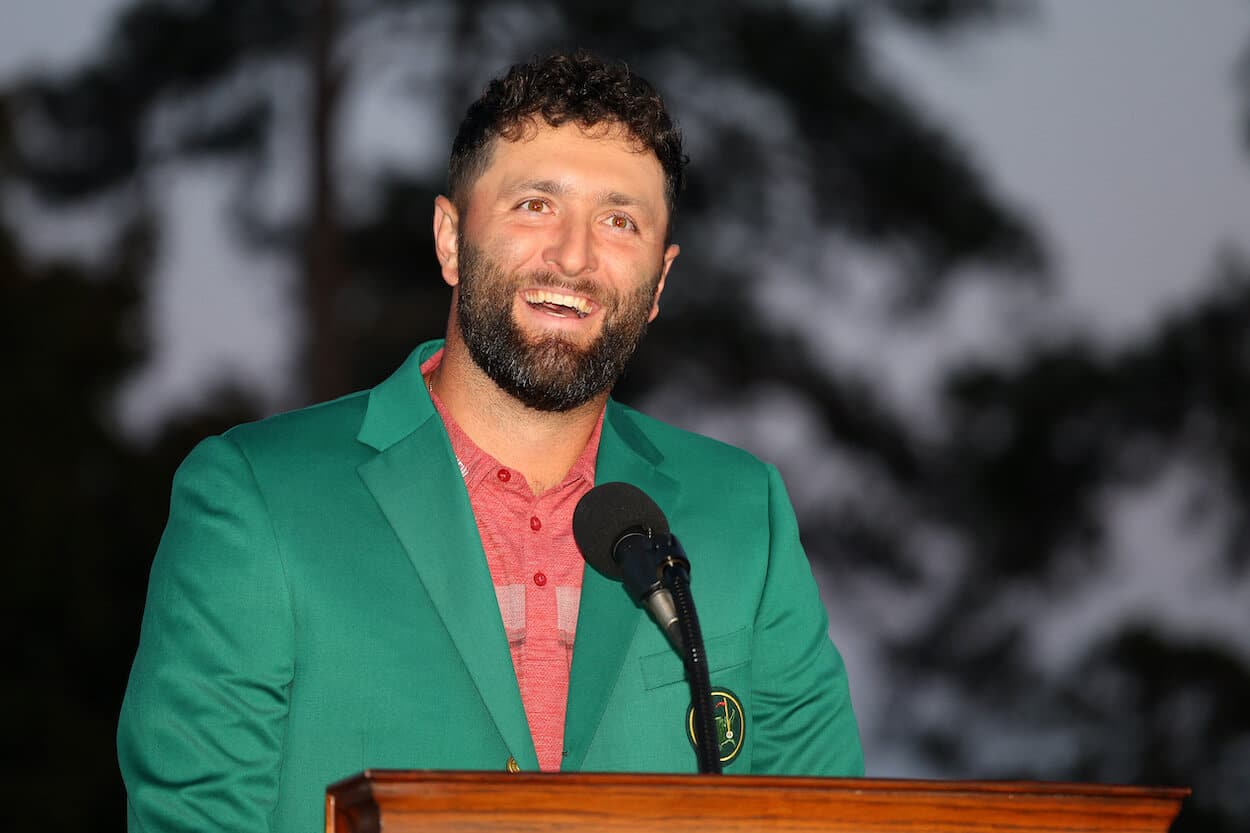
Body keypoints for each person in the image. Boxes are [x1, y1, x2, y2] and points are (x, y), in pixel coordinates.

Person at [118, 49, 862, 833]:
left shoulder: (746, 512)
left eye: (619, 220)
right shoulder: (255, 496)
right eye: (535, 204)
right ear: (449, 238)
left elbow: (834, 819)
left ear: (661, 282)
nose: (574, 256)